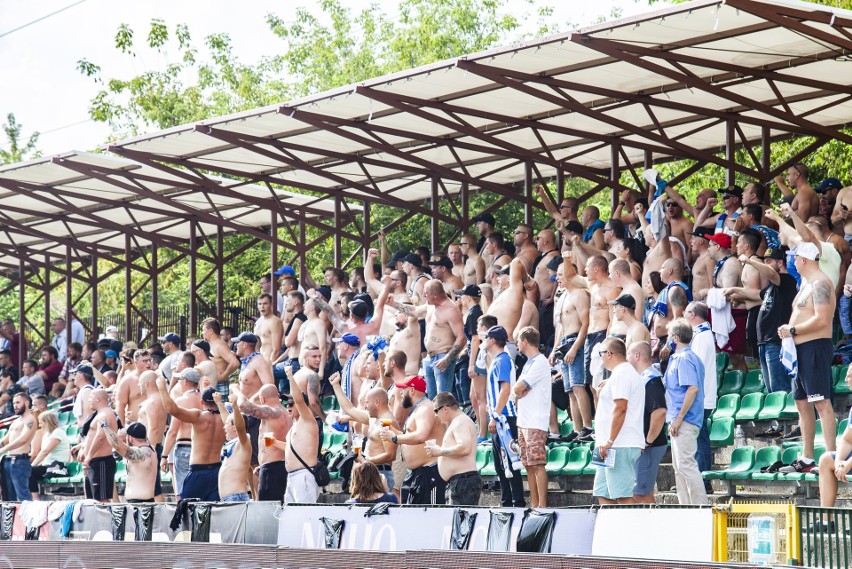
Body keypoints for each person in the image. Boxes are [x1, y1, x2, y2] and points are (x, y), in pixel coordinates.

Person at [778, 242, 837, 472]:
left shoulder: (821, 283)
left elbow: (822, 319)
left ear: (803, 260)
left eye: (795, 258)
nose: (792, 262)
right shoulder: (807, 285)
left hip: (814, 347)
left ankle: (831, 454)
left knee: (821, 402)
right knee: (802, 404)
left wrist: (793, 330)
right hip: (799, 350)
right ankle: (807, 457)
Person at [379, 375, 446, 505]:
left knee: (431, 516)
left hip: (430, 473)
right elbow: (410, 435)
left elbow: (421, 436)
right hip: (419, 474)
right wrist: (393, 431)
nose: (401, 394)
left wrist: (394, 437)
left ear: (412, 390)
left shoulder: (425, 408)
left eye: (403, 390)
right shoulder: (418, 409)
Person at [593, 338, 645, 505]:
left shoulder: (622, 374)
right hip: (607, 445)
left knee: (623, 496)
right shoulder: (620, 374)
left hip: (617, 444)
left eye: (601, 354)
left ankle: (628, 531)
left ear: (609, 353)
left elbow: (621, 408)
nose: (600, 358)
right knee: (603, 493)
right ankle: (613, 530)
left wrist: (610, 440)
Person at [157, 377, 225, 501]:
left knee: (186, 511)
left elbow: (172, 409)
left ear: (202, 402)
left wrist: (162, 388)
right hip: (217, 471)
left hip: (199, 471)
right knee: (214, 514)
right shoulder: (226, 419)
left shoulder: (199, 416)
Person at [663, 319, 708, 505]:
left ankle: (700, 507)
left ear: (675, 337)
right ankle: (687, 508)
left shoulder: (684, 358)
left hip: (684, 420)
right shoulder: (690, 357)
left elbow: (692, 389)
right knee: (679, 467)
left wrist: (679, 418)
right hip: (681, 419)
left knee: (686, 466)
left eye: (668, 336)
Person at [329, 374, 399, 490]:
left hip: (380, 474)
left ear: (377, 402)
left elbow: (390, 455)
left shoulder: (388, 422)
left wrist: (366, 460)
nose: (365, 406)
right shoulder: (372, 419)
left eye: (367, 402)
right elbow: (350, 409)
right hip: (367, 472)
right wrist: (336, 385)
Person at [483, 325, 525, 507]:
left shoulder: (502, 360)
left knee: (510, 461)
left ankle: (516, 501)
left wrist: (495, 414)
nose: (483, 341)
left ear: (492, 340)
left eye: (486, 337)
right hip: (500, 416)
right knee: (501, 464)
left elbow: (505, 389)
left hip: (505, 418)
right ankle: (506, 500)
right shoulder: (497, 360)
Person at [511, 326, 551, 508]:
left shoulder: (540, 362)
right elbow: (517, 390)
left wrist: (519, 391)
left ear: (525, 341)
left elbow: (518, 388)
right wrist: (519, 391)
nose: (517, 344)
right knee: (528, 464)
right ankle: (534, 504)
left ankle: (542, 505)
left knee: (537, 463)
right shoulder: (528, 363)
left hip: (535, 420)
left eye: (519, 340)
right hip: (524, 420)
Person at [235, 381, 291, 502]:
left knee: (267, 511)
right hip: (279, 466)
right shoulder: (286, 413)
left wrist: (237, 392)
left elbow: (244, 406)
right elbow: (270, 442)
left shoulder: (273, 412)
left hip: (273, 470)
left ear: (262, 398)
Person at [627, 342, 667, 503]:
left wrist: (647, 441)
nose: (626, 358)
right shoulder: (644, 378)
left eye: (629, 354)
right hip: (645, 445)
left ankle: (650, 527)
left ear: (636, 356)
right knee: (643, 493)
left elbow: (659, 412)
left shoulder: (651, 380)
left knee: (640, 494)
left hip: (649, 446)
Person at [683, 302, 717, 492]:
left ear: (693, 314)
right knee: (697, 438)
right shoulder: (700, 335)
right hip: (700, 395)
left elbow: (696, 367)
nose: (683, 314)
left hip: (701, 397)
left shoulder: (703, 336)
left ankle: (703, 481)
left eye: (686, 311)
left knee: (700, 439)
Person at [427, 391, 481, 506]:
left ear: (445, 408)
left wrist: (440, 451)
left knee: (461, 522)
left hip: (463, 481)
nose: (435, 415)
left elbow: (465, 448)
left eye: (436, 410)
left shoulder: (460, 422)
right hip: (460, 481)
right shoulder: (458, 422)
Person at [160, 368, 203, 500]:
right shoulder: (204, 398)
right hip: (201, 447)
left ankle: (183, 519)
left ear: (185, 382)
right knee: (199, 490)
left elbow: (172, 432)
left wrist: (164, 455)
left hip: (185, 447)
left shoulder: (181, 401)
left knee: (182, 492)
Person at [279, 373, 320, 503]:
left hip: (303, 475)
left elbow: (299, 400)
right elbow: (292, 449)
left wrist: (290, 376)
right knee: (293, 518)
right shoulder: (294, 426)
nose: (288, 406)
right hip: (291, 477)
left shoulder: (308, 421)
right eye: (287, 404)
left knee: (306, 517)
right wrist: (274, 443)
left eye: (291, 404)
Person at [79, 388, 119, 503]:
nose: (89, 400)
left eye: (91, 397)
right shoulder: (98, 414)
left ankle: (106, 521)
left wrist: (89, 455)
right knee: (91, 500)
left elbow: (101, 436)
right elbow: (91, 436)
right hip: (93, 461)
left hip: (101, 461)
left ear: (98, 398)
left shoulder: (106, 413)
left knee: (101, 499)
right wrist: (82, 448)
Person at [102, 421, 158, 503]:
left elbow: (118, 446)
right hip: (146, 502)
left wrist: (105, 426)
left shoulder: (140, 452)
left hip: (139, 504)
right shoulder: (152, 449)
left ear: (130, 438)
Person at [213, 390, 253, 502]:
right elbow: (227, 419)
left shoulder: (244, 441)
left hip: (236, 498)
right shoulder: (234, 442)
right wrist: (219, 403)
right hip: (227, 498)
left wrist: (235, 406)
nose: (224, 427)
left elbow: (240, 427)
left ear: (235, 427)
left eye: (227, 425)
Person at [136, 370, 167, 502]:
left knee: (154, 489)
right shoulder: (156, 400)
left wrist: (149, 451)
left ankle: (162, 519)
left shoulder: (152, 402)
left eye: (140, 384)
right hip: (153, 447)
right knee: (152, 488)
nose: (139, 386)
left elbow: (153, 428)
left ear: (147, 384)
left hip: (151, 448)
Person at [0, 392, 37, 501]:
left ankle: (27, 518)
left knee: (23, 496)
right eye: (13, 403)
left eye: (18, 402)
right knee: (8, 497)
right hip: (8, 461)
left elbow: (23, 439)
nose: (15, 405)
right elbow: (6, 440)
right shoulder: (16, 421)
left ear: (26, 402)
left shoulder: (30, 419)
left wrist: (3, 450)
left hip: (20, 461)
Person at [29, 410, 70, 500]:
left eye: (41, 423)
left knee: (28, 471)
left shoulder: (57, 432)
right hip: (48, 466)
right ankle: (35, 498)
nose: (39, 426)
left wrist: (32, 465)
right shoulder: (46, 435)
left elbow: (45, 452)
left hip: (58, 466)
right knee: (27, 472)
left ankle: (36, 500)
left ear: (47, 422)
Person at [202, 318, 240, 395]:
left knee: (221, 407)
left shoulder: (220, 345)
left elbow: (235, 362)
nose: (202, 333)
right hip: (210, 384)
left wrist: (223, 376)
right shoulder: (210, 344)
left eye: (204, 330)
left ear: (211, 331)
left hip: (220, 385)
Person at [254, 293, 284, 364]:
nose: (262, 306)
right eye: (260, 304)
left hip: (269, 361)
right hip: (258, 360)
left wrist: (269, 366)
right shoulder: (259, 321)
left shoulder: (275, 321)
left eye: (265, 303)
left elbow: (276, 349)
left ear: (271, 304)